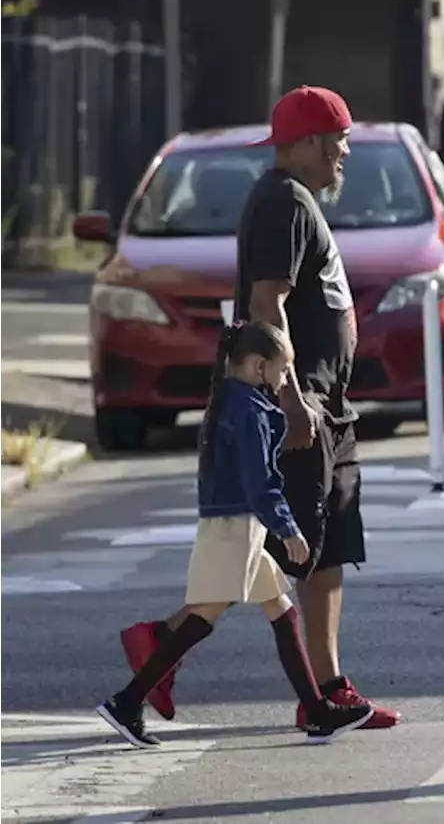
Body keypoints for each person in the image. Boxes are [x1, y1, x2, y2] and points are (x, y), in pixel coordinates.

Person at [118, 86, 402, 732]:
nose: (345, 153)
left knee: (324, 549)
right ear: (304, 143)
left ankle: (329, 686)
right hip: (300, 407)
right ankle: (155, 648)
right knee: (271, 553)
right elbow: (268, 305)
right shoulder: (282, 201)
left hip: (327, 404)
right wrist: (293, 400)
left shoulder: (296, 201)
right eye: (337, 141)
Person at [97, 322, 374, 748]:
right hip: (235, 529)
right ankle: (126, 703)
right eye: (283, 372)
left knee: (283, 614)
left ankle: (318, 712)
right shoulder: (249, 413)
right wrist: (287, 529)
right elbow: (259, 483)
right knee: (198, 621)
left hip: (239, 527)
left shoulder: (234, 400)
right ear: (260, 366)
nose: (285, 382)